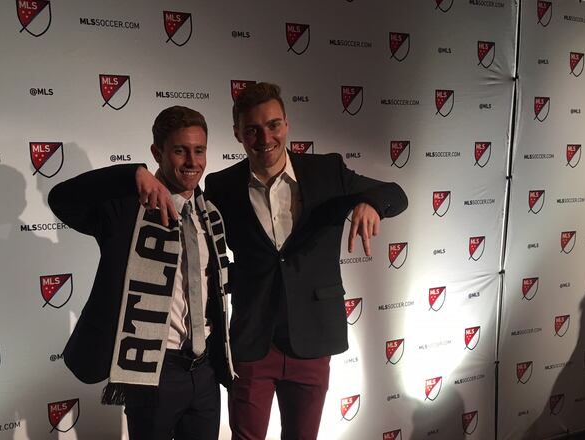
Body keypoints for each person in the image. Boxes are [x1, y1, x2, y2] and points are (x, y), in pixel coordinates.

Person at [139, 82, 408, 439]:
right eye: (252, 129)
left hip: (312, 340)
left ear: (286, 123)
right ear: (237, 133)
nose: (264, 137)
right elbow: (194, 230)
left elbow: (394, 192)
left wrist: (372, 203)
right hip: (252, 342)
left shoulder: (326, 171)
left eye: (273, 125)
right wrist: (138, 173)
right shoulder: (220, 186)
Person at [48, 106, 233, 440]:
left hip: (204, 373)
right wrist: (131, 174)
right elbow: (61, 199)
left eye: (199, 150)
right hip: (153, 373)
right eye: (180, 150)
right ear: (156, 153)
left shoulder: (211, 214)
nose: (192, 161)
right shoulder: (125, 209)